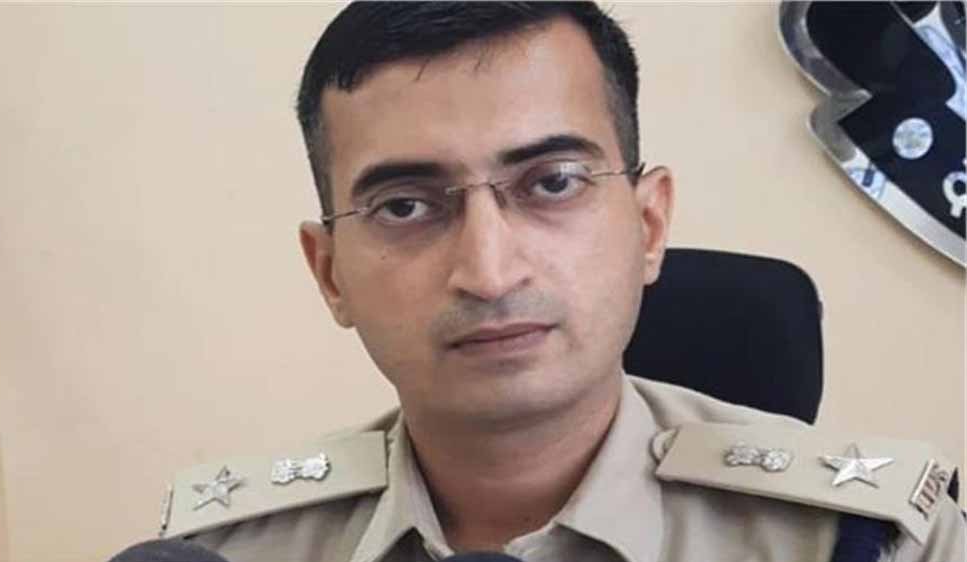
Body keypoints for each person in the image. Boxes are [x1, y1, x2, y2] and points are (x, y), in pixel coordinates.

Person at [156, 3, 965, 561]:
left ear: (648, 225)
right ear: (329, 272)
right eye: (403, 205)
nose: (488, 271)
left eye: (551, 183)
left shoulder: (869, 543)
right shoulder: (228, 549)